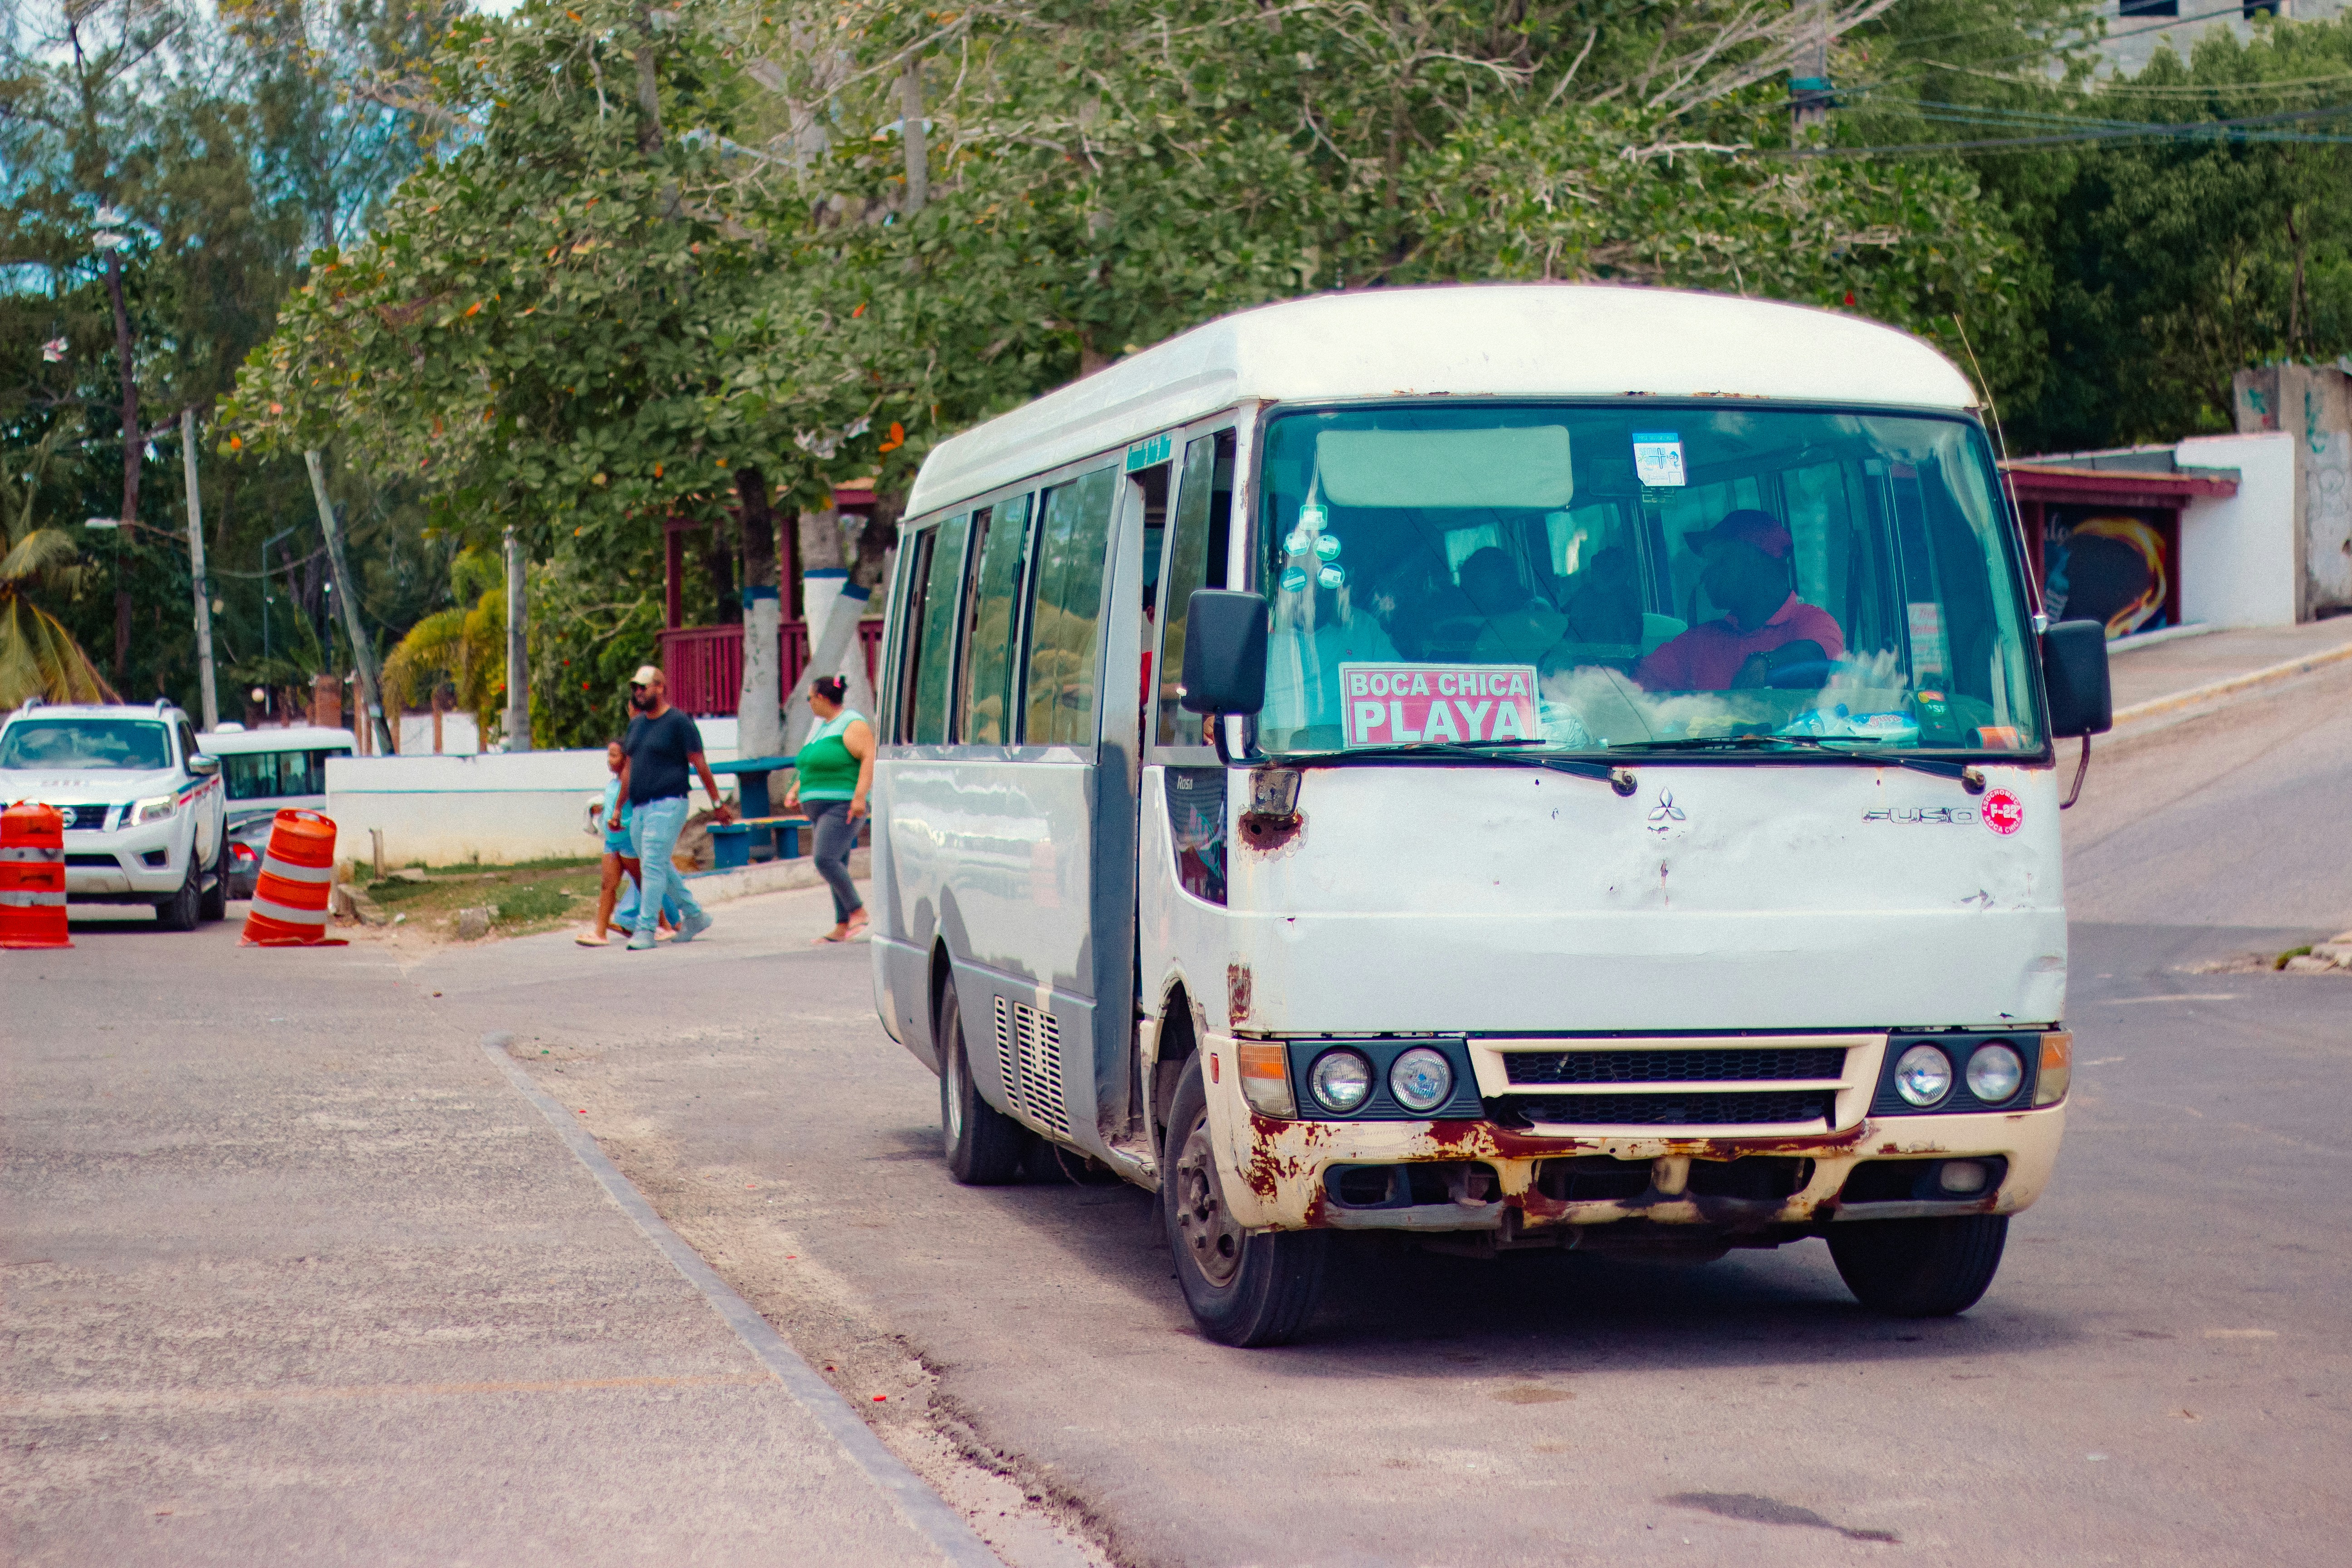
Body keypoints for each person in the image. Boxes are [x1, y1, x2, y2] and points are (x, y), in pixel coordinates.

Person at [1635, 510, 1844, 692]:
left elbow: (1816, 656)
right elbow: (1633, 687)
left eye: (1717, 562)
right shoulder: (1700, 641)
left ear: (1751, 563)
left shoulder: (1811, 621)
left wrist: (1765, 663)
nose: (1705, 575)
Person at [617, 665, 731, 951]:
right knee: (657, 864)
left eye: (643, 687)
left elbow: (700, 764)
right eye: (635, 688)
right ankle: (694, 915)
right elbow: (628, 769)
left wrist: (718, 804)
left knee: (652, 865)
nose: (638, 693)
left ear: (660, 687)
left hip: (669, 803)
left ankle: (646, 929)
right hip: (640, 807)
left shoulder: (679, 722)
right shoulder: (636, 725)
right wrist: (619, 808)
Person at [782, 674, 875, 944]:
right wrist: (797, 789)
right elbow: (812, 764)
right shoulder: (822, 728)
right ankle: (842, 925)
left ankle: (857, 911)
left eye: (810, 698)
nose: (809, 703)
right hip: (820, 808)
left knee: (825, 859)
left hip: (842, 805)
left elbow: (868, 756)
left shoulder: (852, 723)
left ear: (822, 698)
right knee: (837, 863)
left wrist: (860, 797)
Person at [579, 740, 677, 946]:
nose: (609, 760)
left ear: (626, 759)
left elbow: (641, 814)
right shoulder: (612, 785)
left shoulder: (634, 786)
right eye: (608, 755)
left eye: (614, 756)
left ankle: (665, 926)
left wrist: (623, 824)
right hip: (612, 844)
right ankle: (600, 933)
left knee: (643, 885)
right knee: (607, 886)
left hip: (630, 844)